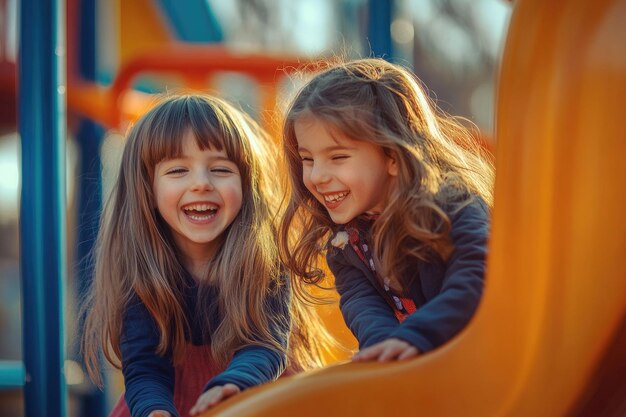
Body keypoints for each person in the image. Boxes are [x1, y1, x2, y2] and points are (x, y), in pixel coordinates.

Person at [82, 94, 325, 417]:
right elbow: (144, 366)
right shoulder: (142, 273)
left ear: (246, 183)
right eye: (178, 170)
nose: (201, 183)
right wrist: (154, 410)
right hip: (168, 401)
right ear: (147, 190)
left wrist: (234, 387)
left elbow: (264, 345)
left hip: (255, 393)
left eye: (221, 169)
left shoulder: (261, 262)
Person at [279, 58, 494, 362]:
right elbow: (362, 303)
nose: (317, 176)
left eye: (338, 157)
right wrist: (383, 349)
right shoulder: (347, 239)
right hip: (433, 366)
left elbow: (478, 273)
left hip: (491, 358)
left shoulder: (452, 207)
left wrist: (418, 335)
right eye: (308, 160)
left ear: (393, 156)